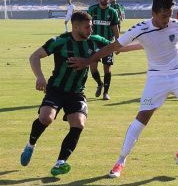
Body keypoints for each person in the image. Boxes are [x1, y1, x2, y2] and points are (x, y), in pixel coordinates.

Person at [68, 0, 178, 178]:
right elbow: (114, 47)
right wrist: (87, 61)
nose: (167, 20)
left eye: (169, 14)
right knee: (142, 118)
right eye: (164, 16)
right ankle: (120, 161)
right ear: (154, 13)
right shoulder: (141, 28)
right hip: (157, 78)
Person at [20, 11, 111, 176]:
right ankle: (30, 144)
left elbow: (116, 45)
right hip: (56, 89)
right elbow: (35, 56)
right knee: (46, 118)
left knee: (78, 124)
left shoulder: (95, 41)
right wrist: (40, 77)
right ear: (76, 27)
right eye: (87, 27)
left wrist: (144, 42)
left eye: (91, 27)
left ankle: (60, 162)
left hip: (77, 92)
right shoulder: (60, 41)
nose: (91, 30)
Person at [87, 0, 120, 100]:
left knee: (107, 68)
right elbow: (86, 25)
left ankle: (106, 92)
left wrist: (118, 44)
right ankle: (99, 83)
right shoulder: (92, 10)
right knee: (93, 68)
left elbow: (115, 28)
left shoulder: (113, 12)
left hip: (108, 44)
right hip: (93, 43)